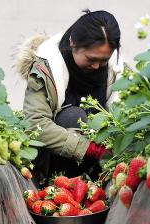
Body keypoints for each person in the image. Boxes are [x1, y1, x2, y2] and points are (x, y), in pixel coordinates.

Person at [17, 10, 124, 186]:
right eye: (91, 58)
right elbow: (36, 123)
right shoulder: (46, 66)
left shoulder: (117, 73)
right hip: (52, 160)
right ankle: (55, 188)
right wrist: (87, 148)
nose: (97, 66)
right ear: (73, 43)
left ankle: (97, 187)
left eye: (104, 60)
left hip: (98, 162)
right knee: (73, 116)